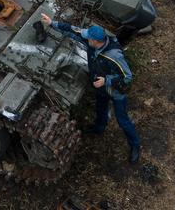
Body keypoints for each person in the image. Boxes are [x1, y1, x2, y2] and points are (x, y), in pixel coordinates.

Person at [41, 13, 141, 164]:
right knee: (100, 109)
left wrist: (106, 80)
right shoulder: (93, 42)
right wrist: (51, 23)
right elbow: (74, 31)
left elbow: (127, 77)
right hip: (100, 88)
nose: (86, 39)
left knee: (123, 120)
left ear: (96, 41)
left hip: (116, 91)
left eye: (89, 39)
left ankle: (135, 146)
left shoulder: (114, 55)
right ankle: (99, 128)